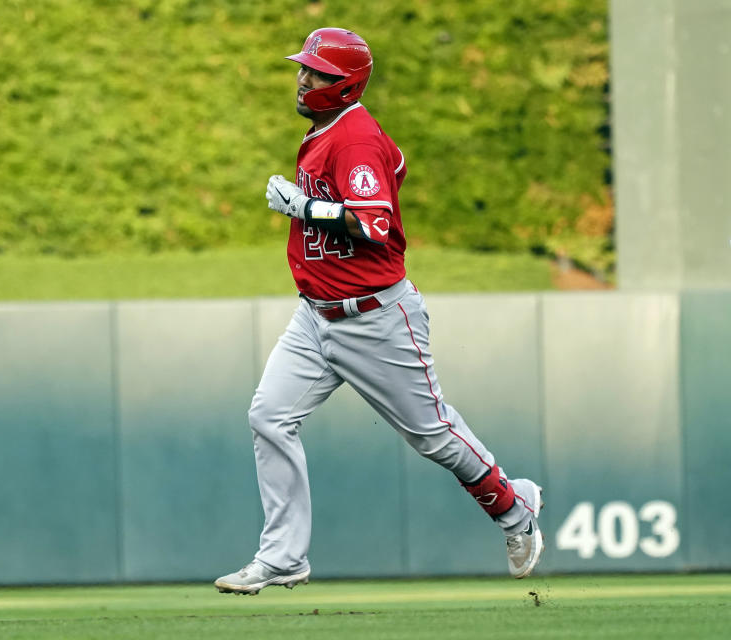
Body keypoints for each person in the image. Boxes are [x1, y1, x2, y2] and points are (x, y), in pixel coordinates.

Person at [214, 28, 544, 595]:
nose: (303, 78)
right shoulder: (327, 133)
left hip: (375, 317)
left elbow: (374, 225)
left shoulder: (355, 138)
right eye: (304, 68)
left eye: (317, 72)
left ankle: (515, 511)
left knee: (434, 435)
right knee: (269, 415)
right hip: (317, 316)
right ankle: (284, 557)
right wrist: (310, 207)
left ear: (345, 85)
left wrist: (306, 207)